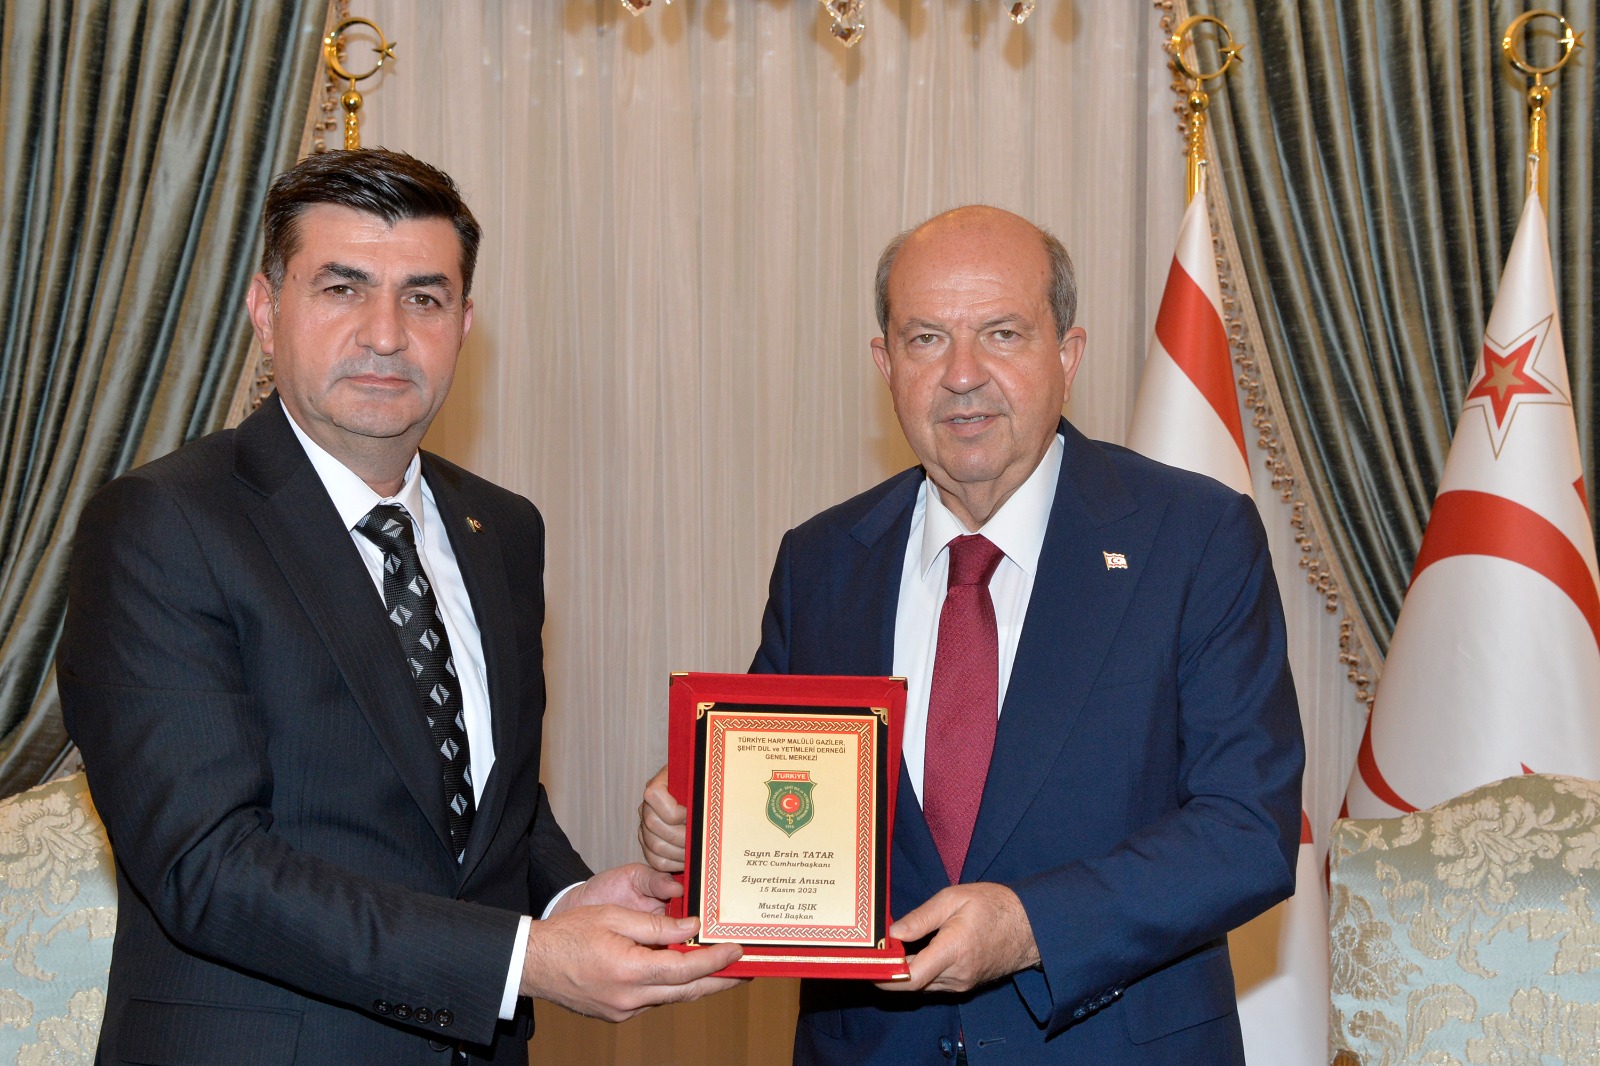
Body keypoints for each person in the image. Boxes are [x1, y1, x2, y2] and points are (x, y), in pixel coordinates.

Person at [59, 148, 740, 1065]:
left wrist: (568, 899)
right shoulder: (163, 525)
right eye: (342, 289)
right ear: (265, 311)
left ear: (465, 325)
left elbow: (475, 794)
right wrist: (525, 958)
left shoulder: (503, 528)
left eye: (424, 298)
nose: (385, 334)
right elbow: (207, 867)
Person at [639, 206, 1304, 1063]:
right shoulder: (823, 561)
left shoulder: (1194, 537)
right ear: (885, 364)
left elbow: (1246, 830)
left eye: (1002, 334)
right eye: (926, 339)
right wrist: (696, 823)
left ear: (1068, 354)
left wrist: (1031, 926)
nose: (961, 375)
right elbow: (779, 796)